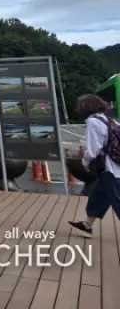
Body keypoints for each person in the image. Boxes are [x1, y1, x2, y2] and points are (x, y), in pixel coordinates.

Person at [68, 94, 120, 235]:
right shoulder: (109, 120)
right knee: (98, 196)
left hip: (109, 169)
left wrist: (85, 162)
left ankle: (87, 225)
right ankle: (87, 225)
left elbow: (93, 149)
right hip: (114, 166)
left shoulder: (93, 122)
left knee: (117, 200)